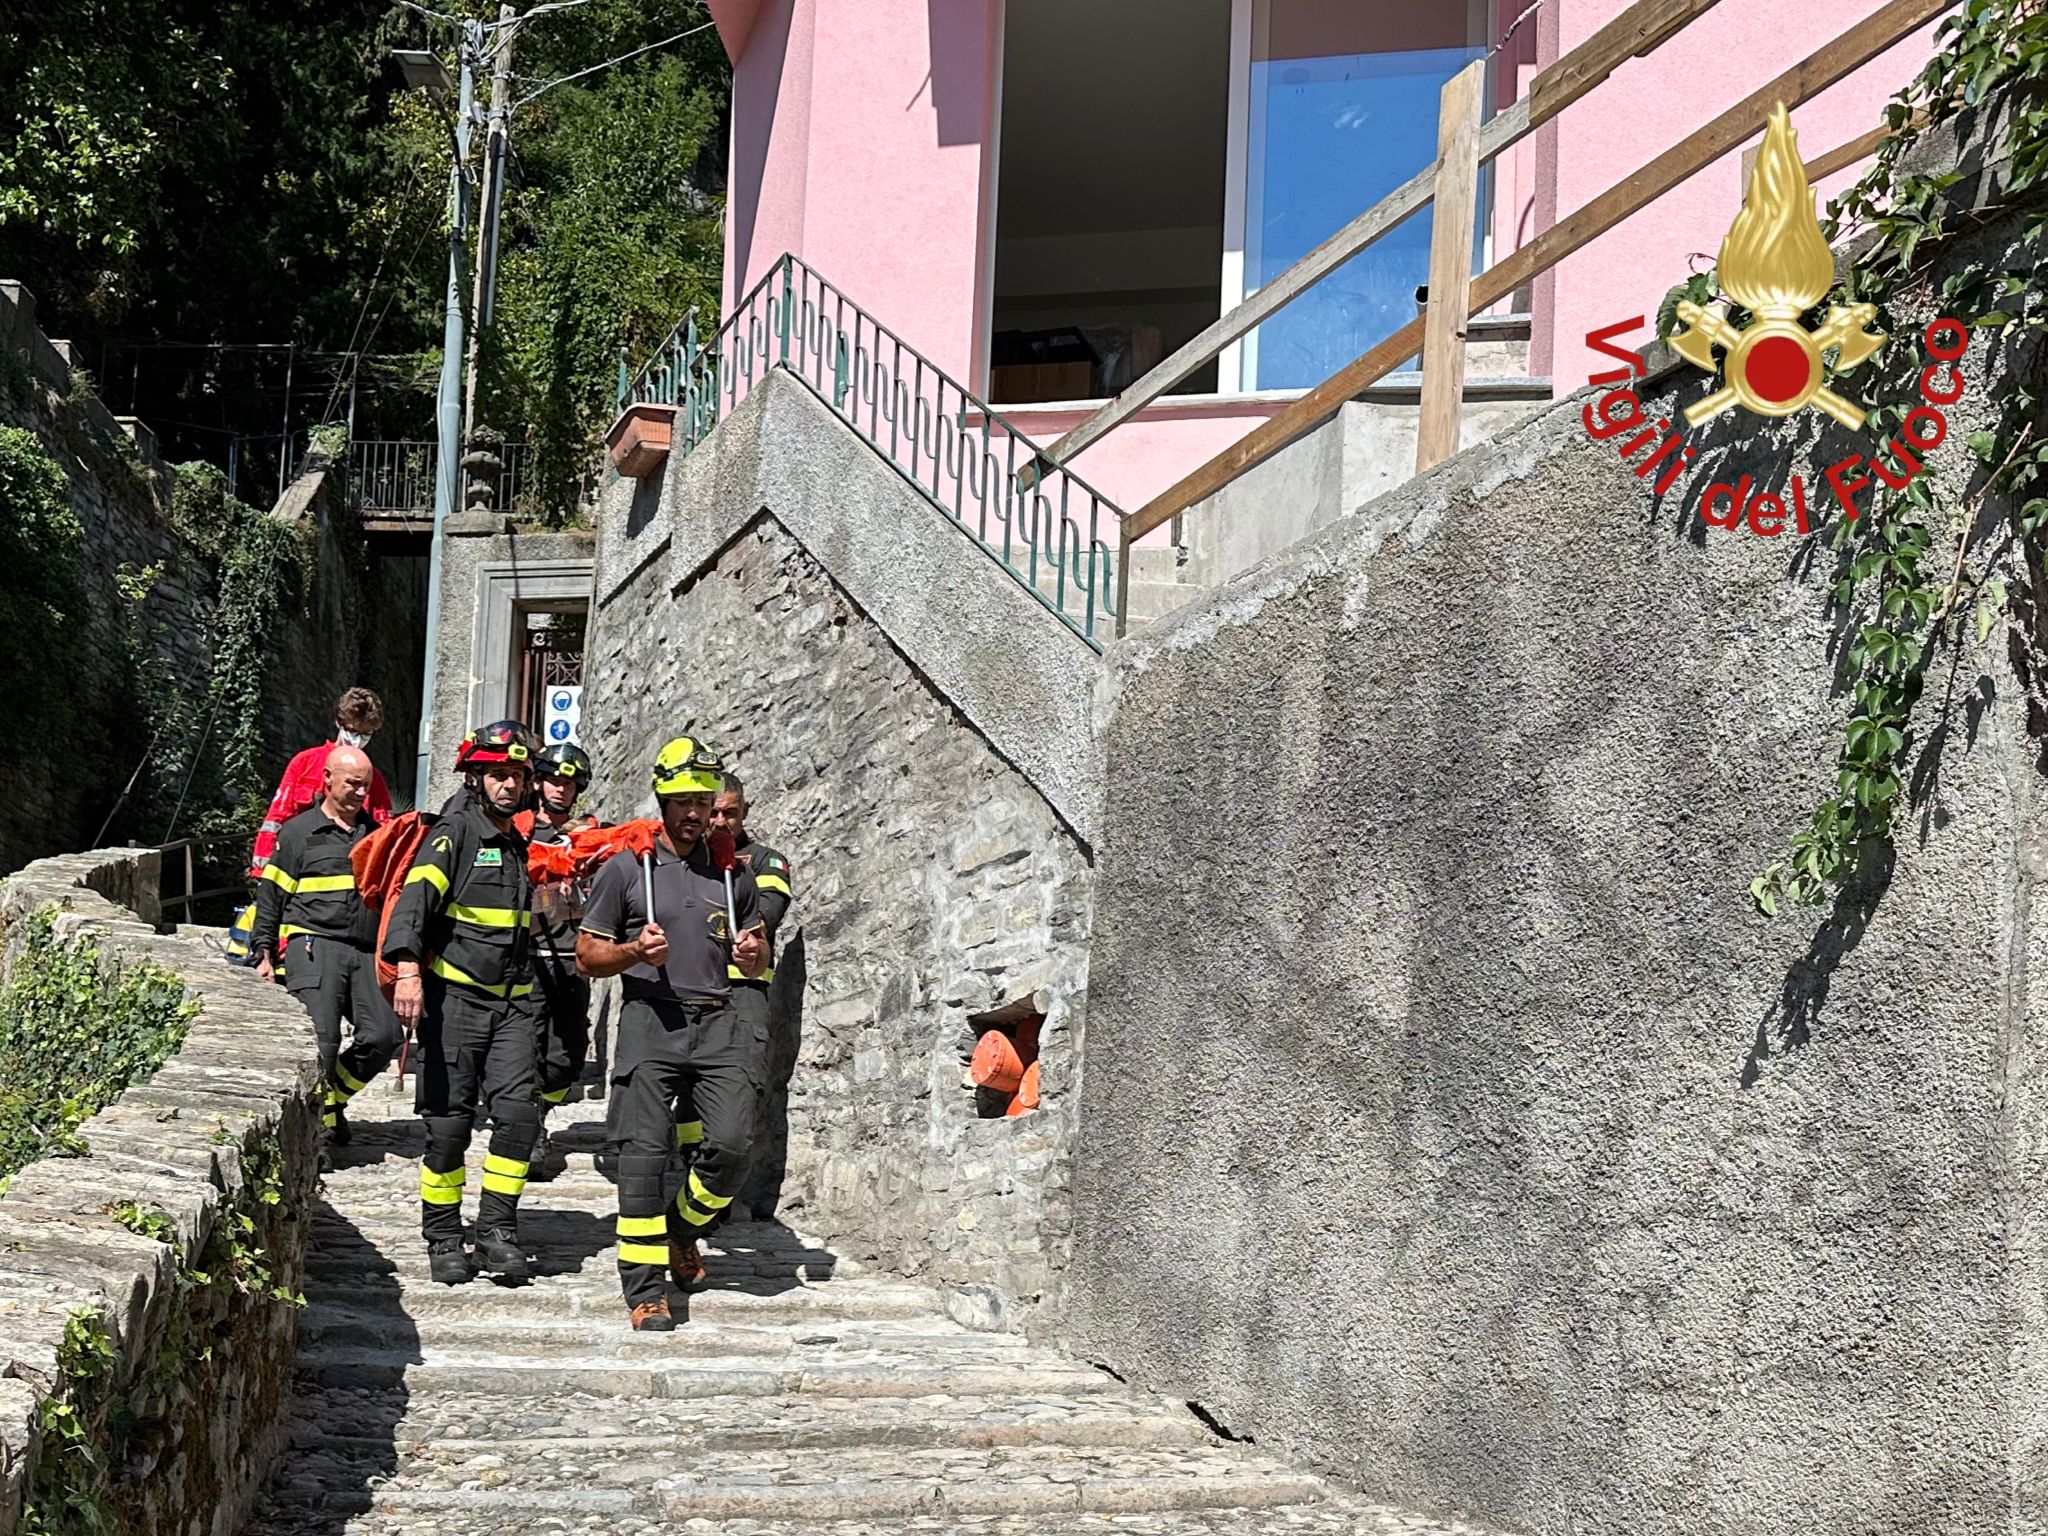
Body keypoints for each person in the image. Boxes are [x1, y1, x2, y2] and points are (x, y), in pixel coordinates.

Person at [576, 736, 767, 1331]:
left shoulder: (731, 870)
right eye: (682, 799)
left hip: (718, 1020)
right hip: (651, 1020)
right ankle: (645, 1290)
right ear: (662, 797)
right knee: (642, 1158)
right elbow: (587, 954)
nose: (693, 812)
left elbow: (757, 956)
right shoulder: (626, 868)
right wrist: (634, 949)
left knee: (734, 1147)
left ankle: (682, 1229)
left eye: (702, 800)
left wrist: (753, 951)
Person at [384, 721, 540, 1287]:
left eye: (517, 776)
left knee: (520, 1118)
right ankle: (445, 1234)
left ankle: (497, 1229)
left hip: (514, 1008)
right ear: (476, 778)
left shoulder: (516, 840)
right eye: (498, 774)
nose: (508, 785)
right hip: (456, 1004)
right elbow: (415, 900)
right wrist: (407, 972)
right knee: (449, 1128)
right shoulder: (454, 832)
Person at [664, 772, 794, 1274]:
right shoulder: (679, 858)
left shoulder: (765, 862)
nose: (718, 820)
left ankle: (694, 1216)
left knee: (737, 1105)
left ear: (744, 813)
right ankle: (694, 1180)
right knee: (689, 1099)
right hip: (684, 993)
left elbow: (765, 912)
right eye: (712, 810)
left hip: (741, 994)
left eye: (729, 813)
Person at [247, 745, 402, 1159]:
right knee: (324, 1039)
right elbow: (270, 898)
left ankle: (331, 1099)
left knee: (385, 1036)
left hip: (367, 950)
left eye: (365, 785)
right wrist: (263, 952)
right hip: (314, 944)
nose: (359, 792)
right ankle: (314, 1137)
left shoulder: (378, 836)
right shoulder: (298, 833)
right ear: (328, 780)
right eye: (352, 783)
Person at [523, 741, 598, 1177]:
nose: (559, 789)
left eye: (568, 783)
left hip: (573, 960)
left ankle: (539, 1109)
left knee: (567, 1060)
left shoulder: (587, 839)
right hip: (530, 959)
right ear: (538, 782)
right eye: (552, 779)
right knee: (529, 1051)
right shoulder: (519, 832)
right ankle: (529, 1128)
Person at [251, 688, 394, 878]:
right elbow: (276, 819)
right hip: (303, 859)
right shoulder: (305, 763)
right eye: (352, 731)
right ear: (339, 722)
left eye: (366, 734)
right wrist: (263, 871)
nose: (358, 740)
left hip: (349, 867)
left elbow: (386, 830)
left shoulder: (372, 779)